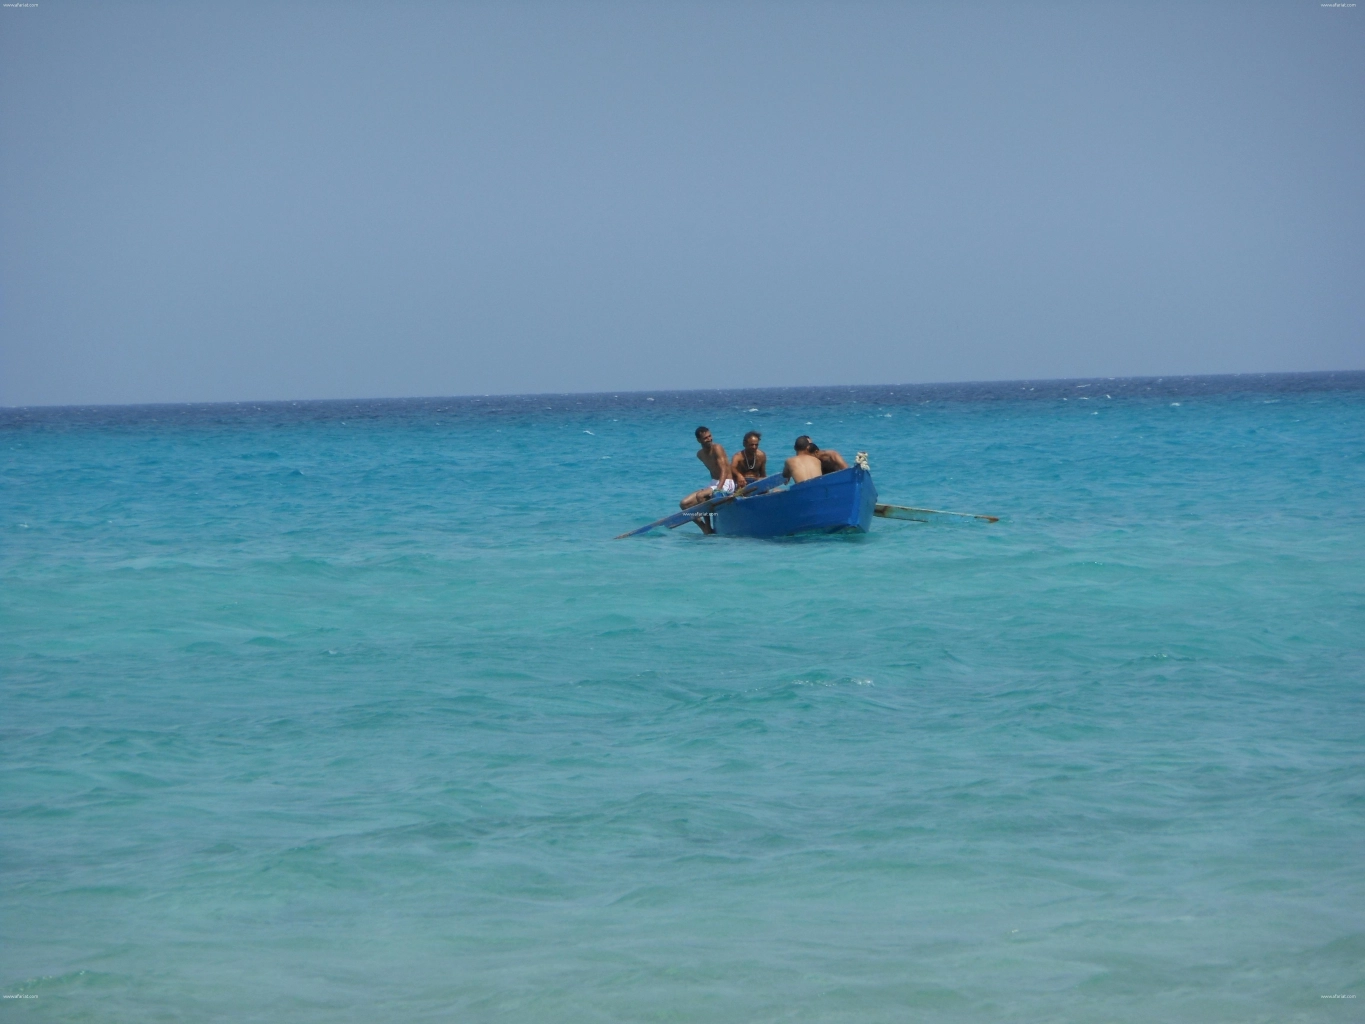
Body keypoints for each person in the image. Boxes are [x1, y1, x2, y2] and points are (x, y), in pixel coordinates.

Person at [680, 426, 740, 511]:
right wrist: (713, 487)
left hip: (726, 482)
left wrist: (719, 488)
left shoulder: (717, 448)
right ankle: (704, 525)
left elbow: (724, 470)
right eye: (705, 438)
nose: (709, 439)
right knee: (684, 504)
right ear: (699, 440)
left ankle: (708, 523)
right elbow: (712, 470)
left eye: (710, 436)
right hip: (714, 483)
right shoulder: (700, 454)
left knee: (700, 496)